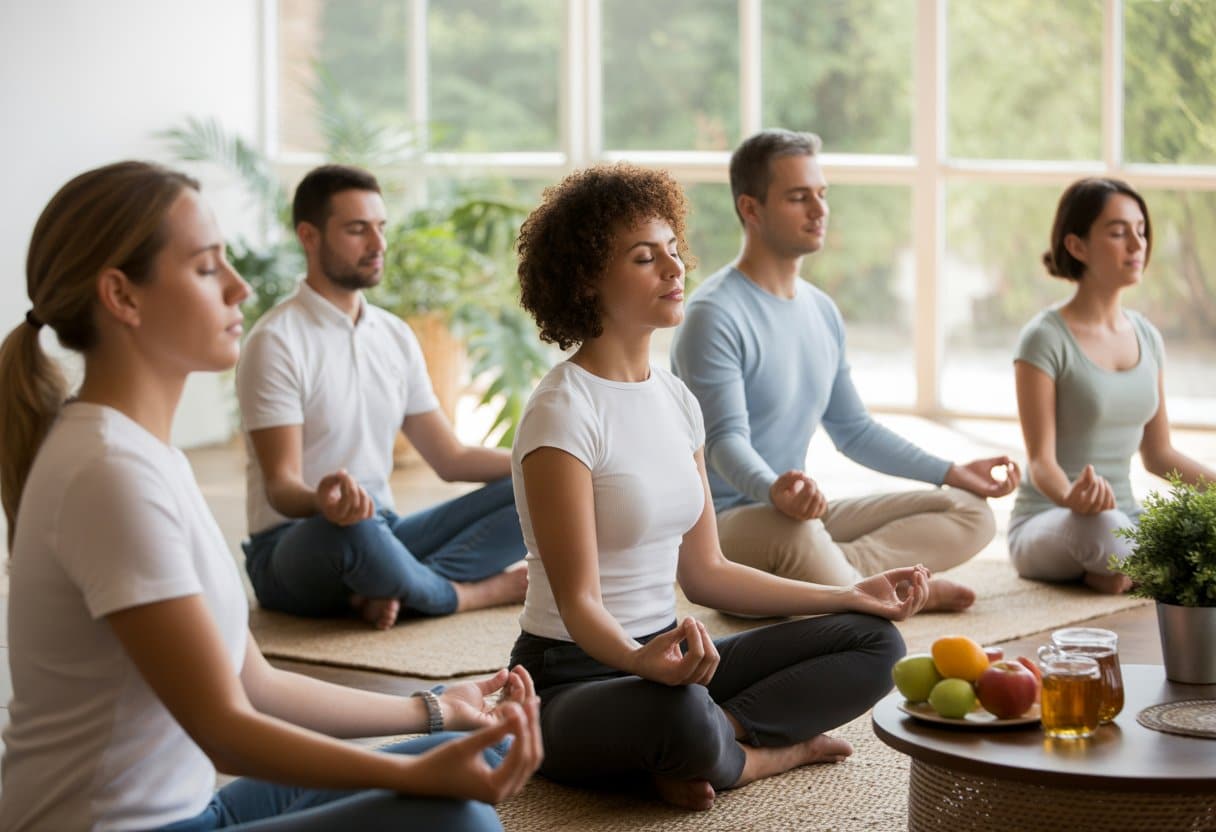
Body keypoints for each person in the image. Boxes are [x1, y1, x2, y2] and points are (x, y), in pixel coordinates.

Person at [0, 161, 543, 831]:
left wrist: (437, 707)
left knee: (465, 754)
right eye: (206, 269)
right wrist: (407, 774)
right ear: (123, 297)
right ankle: (457, 597)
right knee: (457, 816)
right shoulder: (108, 472)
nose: (239, 287)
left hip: (199, 807)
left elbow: (252, 682)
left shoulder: (145, 454)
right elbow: (224, 730)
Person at [508, 163, 930, 812]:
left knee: (875, 643)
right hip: (571, 675)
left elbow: (706, 573)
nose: (675, 271)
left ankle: (709, 745)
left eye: (673, 252)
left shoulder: (676, 400)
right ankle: (762, 753)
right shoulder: (563, 411)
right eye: (645, 259)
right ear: (587, 280)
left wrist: (846, 593)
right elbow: (579, 603)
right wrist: (643, 664)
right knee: (673, 712)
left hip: (678, 658)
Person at [670, 129, 1020, 613]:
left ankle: (846, 580)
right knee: (795, 533)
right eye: (798, 198)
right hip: (725, 523)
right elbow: (724, 442)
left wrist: (953, 471)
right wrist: (774, 489)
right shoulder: (714, 314)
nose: (819, 210)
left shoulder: (821, 310)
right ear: (751, 209)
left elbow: (853, 431)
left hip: (799, 516)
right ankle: (865, 586)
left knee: (969, 511)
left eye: (821, 195)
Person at [236, 164, 526, 630]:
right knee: (354, 534)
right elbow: (282, 487)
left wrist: (548, 464)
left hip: (385, 532)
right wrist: (324, 504)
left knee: (539, 489)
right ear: (309, 236)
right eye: (357, 230)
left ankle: (395, 589)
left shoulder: (393, 335)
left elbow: (449, 458)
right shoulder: (276, 341)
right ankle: (472, 593)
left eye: (380, 228)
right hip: (298, 546)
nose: (378, 245)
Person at [1009, 177, 1215, 593]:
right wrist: (1071, 498)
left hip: (1125, 518)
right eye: (1119, 232)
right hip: (1052, 520)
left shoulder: (1147, 336)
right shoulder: (1044, 338)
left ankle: (1118, 572)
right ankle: (1124, 566)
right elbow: (1040, 462)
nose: (1137, 245)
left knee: (1181, 531)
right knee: (1106, 528)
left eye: (1141, 231)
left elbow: (1158, 454)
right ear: (1077, 246)